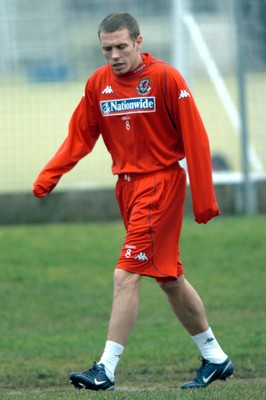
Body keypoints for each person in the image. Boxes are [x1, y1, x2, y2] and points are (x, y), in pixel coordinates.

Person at [33, 12, 234, 391]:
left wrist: (204, 199)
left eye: (122, 46)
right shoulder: (98, 84)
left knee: (125, 275)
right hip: (126, 187)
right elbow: (80, 136)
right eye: (107, 48)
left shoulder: (165, 78)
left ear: (138, 43)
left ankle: (105, 369)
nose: (114, 55)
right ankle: (216, 358)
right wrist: (50, 174)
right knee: (168, 278)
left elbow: (196, 137)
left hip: (160, 186)